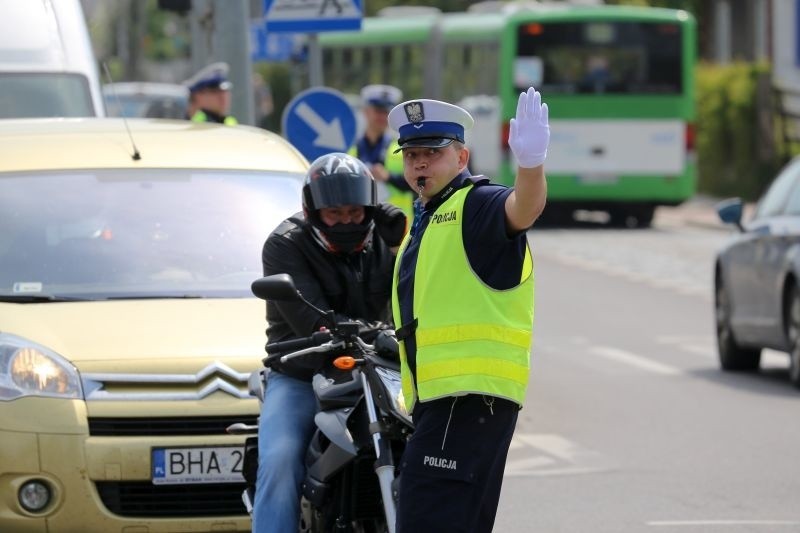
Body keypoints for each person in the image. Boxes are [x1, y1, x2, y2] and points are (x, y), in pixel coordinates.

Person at [386, 86, 550, 533]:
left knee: (424, 519)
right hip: (453, 404)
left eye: (432, 153)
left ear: (461, 158)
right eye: (412, 154)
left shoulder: (475, 204)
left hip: (464, 399)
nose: (419, 163)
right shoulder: (425, 219)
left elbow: (524, 208)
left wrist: (530, 165)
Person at [252, 152, 408, 533]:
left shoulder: (381, 239)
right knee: (280, 459)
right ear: (313, 210)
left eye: (355, 213)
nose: (347, 222)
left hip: (375, 370)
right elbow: (313, 319)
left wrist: (400, 244)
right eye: (335, 214)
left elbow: (413, 295)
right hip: (303, 371)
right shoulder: (284, 244)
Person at [348, 84, 414, 218]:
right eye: (378, 111)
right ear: (366, 112)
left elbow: (417, 185)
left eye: (387, 112)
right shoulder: (351, 152)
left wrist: (388, 177)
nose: (383, 117)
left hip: (398, 225)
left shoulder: (403, 149)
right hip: (361, 224)